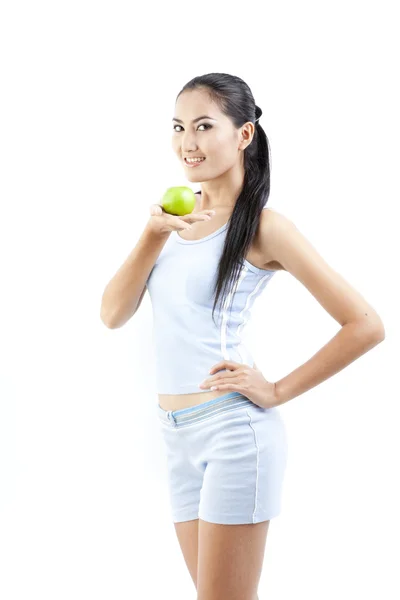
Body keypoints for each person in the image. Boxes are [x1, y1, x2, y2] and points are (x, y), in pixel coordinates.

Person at [100, 73, 385, 600]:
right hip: (175, 435)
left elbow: (365, 324)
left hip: (233, 435)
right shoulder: (172, 222)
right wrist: (152, 232)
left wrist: (275, 390)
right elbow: (113, 314)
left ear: (244, 135)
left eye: (205, 126)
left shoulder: (263, 227)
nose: (189, 142)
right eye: (179, 127)